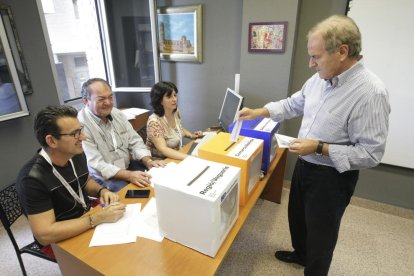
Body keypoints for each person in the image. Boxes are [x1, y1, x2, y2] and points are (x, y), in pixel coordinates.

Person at [239, 15, 390, 276]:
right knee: (298, 217)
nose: (311, 64)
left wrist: (319, 148)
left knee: (322, 234)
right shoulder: (319, 79)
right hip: (305, 163)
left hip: (332, 176)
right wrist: (260, 111)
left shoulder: (371, 93)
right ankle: (301, 254)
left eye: (316, 57)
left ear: (342, 52)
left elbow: (371, 153)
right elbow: (292, 104)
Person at [16, 105, 125, 260]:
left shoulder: (75, 154)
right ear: (52, 141)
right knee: (108, 259)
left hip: (85, 215)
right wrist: (96, 219)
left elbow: (85, 180)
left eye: (80, 130)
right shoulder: (32, 179)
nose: (84, 137)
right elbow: (45, 235)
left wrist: (102, 191)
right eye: (75, 134)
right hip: (58, 236)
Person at [78, 78, 165, 192]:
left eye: (110, 97)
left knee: (159, 178)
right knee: (135, 194)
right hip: (104, 176)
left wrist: (148, 161)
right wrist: (129, 175)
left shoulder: (116, 113)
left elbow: (135, 141)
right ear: (85, 101)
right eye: (101, 99)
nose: (108, 103)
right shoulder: (80, 125)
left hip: (127, 167)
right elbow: (97, 164)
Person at [146, 81, 203, 160]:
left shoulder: (175, 111)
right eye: (169, 97)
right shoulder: (154, 122)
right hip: (161, 161)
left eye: (175, 95)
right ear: (159, 100)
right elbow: (163, 149)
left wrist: (192, 135)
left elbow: (178, 128)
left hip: (176, 154)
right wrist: (189, 158)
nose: (174, 99)